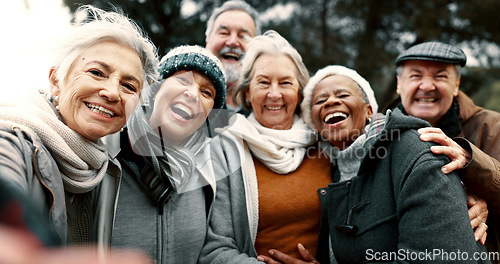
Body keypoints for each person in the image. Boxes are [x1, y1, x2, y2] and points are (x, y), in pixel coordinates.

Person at [0, 4, 158, 248]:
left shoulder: (107, 169)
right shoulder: (12, 141)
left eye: (129, 86)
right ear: (56, 81)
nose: (112, 92)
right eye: (96, 72)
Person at [294, 65, 489, 263]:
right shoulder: (331, 169)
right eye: (320, 101)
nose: (331, 102)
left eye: (342, 95)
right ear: (316, 126)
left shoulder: (416, 152)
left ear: (369, 110)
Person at [199, 30, 332, 264]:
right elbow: (214, 249)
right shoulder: (225, 150)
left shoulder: (327, 143)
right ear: (247, 93)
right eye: (263, 82)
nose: (274, 94)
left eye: (285, 83)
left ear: (300, 92)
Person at [108, 45, 227, 263]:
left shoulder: (209, 171)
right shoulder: (107, 156)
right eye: (183, 80)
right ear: (155, 88)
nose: (192, 94)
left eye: (206, 92)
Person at [391, 41, 500, 256]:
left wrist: (472, 162)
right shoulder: (376, 132)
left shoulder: (493, 127)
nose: (427, 86)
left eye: (440, 76)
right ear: (398, 84)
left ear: (457, 84)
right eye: (415, 76)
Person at [205, 0, 261, 110]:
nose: (232, 42)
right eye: (223, 33)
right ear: (207, 40)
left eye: (243, 36)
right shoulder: (182, 94)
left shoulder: (267, 106)